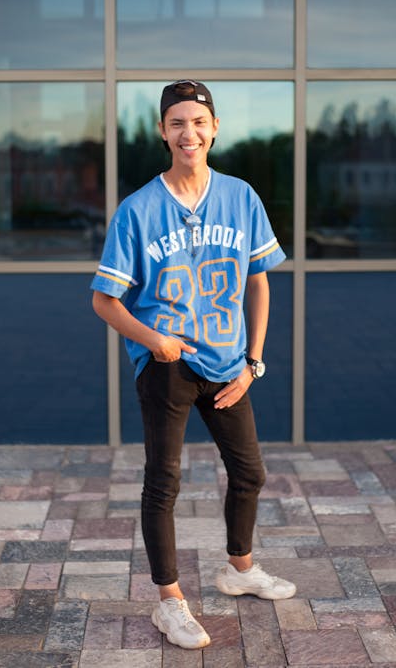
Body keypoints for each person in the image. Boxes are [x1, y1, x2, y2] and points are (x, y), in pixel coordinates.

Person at [91, 80, 296, 650]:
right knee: (164, 482)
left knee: (249, 472)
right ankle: (170, 603)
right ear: (162, 131)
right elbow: (104, 300)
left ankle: (240, 569)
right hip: (169, 367)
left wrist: (252, 363)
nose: (190, 133)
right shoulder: (138, 210)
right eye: (177, 123)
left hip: (230, 363)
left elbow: (258, 284)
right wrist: (154, 340)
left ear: (215, 128)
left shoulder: (241, 196)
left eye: (199, 122)